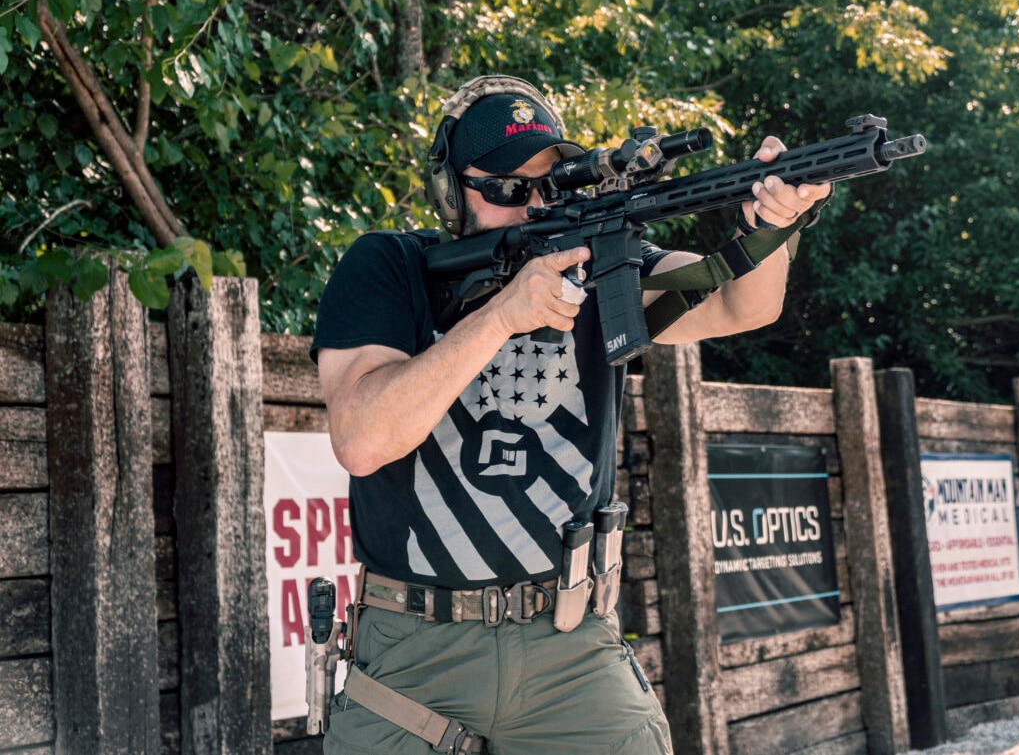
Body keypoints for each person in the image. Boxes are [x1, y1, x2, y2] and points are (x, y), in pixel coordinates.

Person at [310, 75, 830, 755]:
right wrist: (501, 315)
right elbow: (361, 437)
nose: (530, 205)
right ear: (450, 191)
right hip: (415, 652)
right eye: (504, 188)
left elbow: (741, 305)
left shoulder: (600, 267)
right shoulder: (390, 267)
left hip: (570, 639)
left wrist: (774, 225)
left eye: (547, 186)